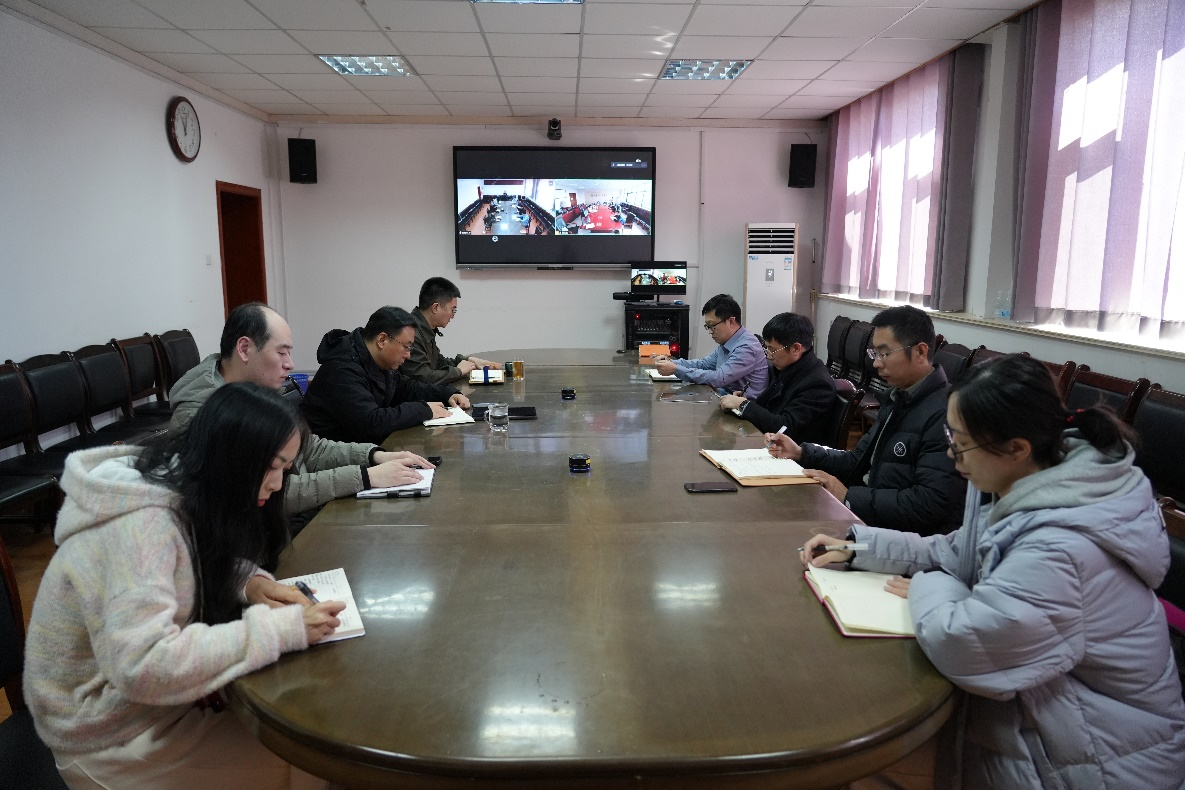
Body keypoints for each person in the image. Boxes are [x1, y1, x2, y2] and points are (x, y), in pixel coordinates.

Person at [799, 354, 1185, 788]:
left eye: (961, 443)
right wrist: (858, 548)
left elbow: (961, 643)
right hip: (1048, 717)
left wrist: (928, 584)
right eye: (951, 436)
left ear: (1017, 447)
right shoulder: (1027, 480)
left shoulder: (1062, 545)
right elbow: (953, 550)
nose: (952, 455)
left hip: (1100, 758)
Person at [24, 383, 346, 789]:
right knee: (313, 764)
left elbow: (188, 557)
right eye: (272, 466)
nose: (278, 484)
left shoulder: (181, 480)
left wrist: (246, 581)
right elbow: (143, 666)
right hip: (106, 733)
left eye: (285, 468)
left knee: (309, 729)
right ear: (233, 459)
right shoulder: (142, 527)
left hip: (148, 706)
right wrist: (282, 630)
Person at [169, 303, 432, 518]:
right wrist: (364, 476)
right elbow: (265, 492)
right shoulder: (202, 413)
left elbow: (310, 448)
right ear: (245, 349)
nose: (290, 364)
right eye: (281, 353)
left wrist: (374, 455)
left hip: (299, 513)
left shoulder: (259, 391)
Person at [767, 305, 963, 535]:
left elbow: (928, 504)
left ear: (920, 352)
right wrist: (802, 453)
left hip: (900, 537)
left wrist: (849, 496)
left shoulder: (945, 414)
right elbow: (857, 460)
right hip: (870, 518)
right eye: (875, 354)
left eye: (884, 354)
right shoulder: (898, 398)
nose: (876, 363)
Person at [303, 306, 472, 444]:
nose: (408, 355)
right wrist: (424, 409)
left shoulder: (377, 362)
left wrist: (446, 393)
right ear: (382, 340)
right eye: (406, 346)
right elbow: (371, 422)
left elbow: (407, 388)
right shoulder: (341, 370)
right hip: (339, 460)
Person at [718, 312, 835, 442]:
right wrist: (742, 402)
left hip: (790, 451)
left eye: (772, 350)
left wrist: (743, 405)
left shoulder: (818, 384)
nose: (768, 356)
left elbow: (784, 428)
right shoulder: (789, 368)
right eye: (767, 349)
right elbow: (767, 408)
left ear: (796, 349)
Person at [654, 294, 768, 398]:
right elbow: (704, 364)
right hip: (726, 400)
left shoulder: (746, 346)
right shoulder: (727, 342)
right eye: (707, 326)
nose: (710, 331)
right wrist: (672, 362)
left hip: (742, 409)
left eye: (712, 325)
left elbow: (719, 378)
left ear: (731, 321)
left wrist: (675, 369)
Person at [398, 277, 500, 386]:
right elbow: (423, 378)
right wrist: (458, 371)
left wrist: (470, 360)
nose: (452, 316)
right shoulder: (411, 333)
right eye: (452, 310)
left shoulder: (424, 327)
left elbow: (439, 363)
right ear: (435, 308)